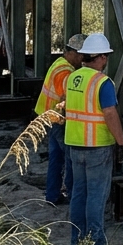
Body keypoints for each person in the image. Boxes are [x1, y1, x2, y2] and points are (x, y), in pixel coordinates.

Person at [64, 33, 123, 245]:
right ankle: (95, 244)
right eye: (106, 56)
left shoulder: (72, 78)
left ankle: (77, 242)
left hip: (74, 145)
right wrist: (121, 143)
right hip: (97, 147)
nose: (107, 60)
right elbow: (110, 114)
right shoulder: (103, 82)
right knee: (96, 197)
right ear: (100, 57)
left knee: (78, 195)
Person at [35, 33, 86, 205]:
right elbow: (70, 96)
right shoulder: (66, 72)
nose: (82, 59)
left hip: (49, 116)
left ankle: (52, 195)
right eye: (80, 55)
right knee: (71, 158)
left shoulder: (59, 64)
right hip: (57, 120)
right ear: (72, 53)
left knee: (56, 158)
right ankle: (73, 195)